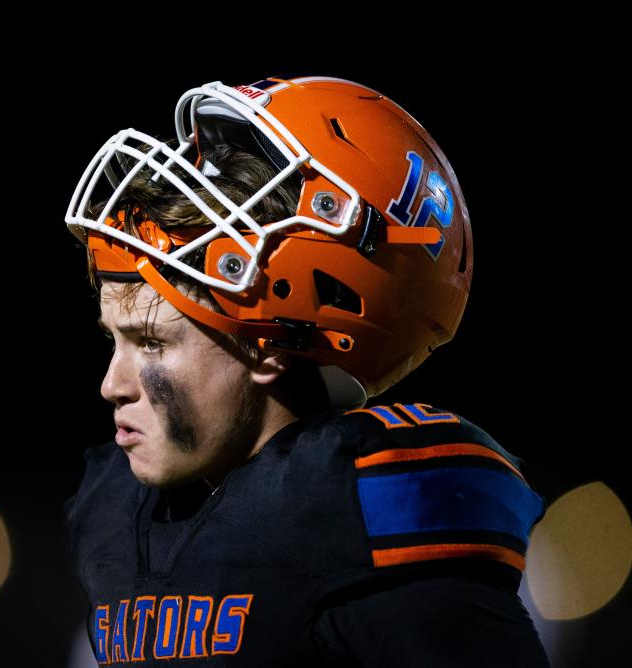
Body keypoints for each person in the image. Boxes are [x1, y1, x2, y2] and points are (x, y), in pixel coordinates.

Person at [61, 76, 550, 666]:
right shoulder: (117, 513)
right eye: (114, 339)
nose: (111, 385)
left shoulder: (352, 511)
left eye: (152, 342)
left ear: (270, 345)